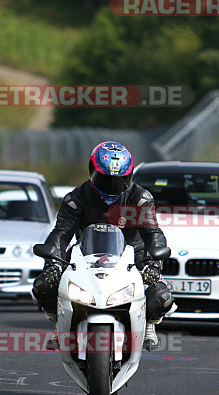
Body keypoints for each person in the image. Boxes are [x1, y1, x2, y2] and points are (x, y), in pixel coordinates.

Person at [32, 141, 174, 351]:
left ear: (129, 176)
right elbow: (61, 234)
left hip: (133, 259)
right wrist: (52, 260)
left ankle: (149, 325)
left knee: (162, 298)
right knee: (43, 285)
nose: (111, 186)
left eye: (118, 181)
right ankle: (58, 324)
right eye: (105, 179)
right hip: (85, 257)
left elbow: (153, 233)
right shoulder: (75, 198)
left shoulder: (140, 198)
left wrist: (154, 261)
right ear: (92, 172)